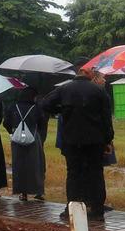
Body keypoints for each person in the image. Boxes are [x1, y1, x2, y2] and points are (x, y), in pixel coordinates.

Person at [40, 67, 113, 219]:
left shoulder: (64, 89)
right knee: (96, 174)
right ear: (86, 72)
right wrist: (108, 140)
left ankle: (72, 209)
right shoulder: (99, 91)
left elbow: (45, 104)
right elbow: (107, 119)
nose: (94, 72)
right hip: (95, 141)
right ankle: (97, 210)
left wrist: (61, 109)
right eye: (92, 70)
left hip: (71, 140)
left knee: (73, 174)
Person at [4, 87, 47, 201]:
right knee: (36, 165)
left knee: (19, 166)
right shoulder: (36, 107)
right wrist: (40, 137)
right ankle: (38, 191)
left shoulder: (13, 107)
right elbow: (42, 123)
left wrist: (13, 132)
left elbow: (6, 122)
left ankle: (22, 193)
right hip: (34, 137)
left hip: (17, 139)